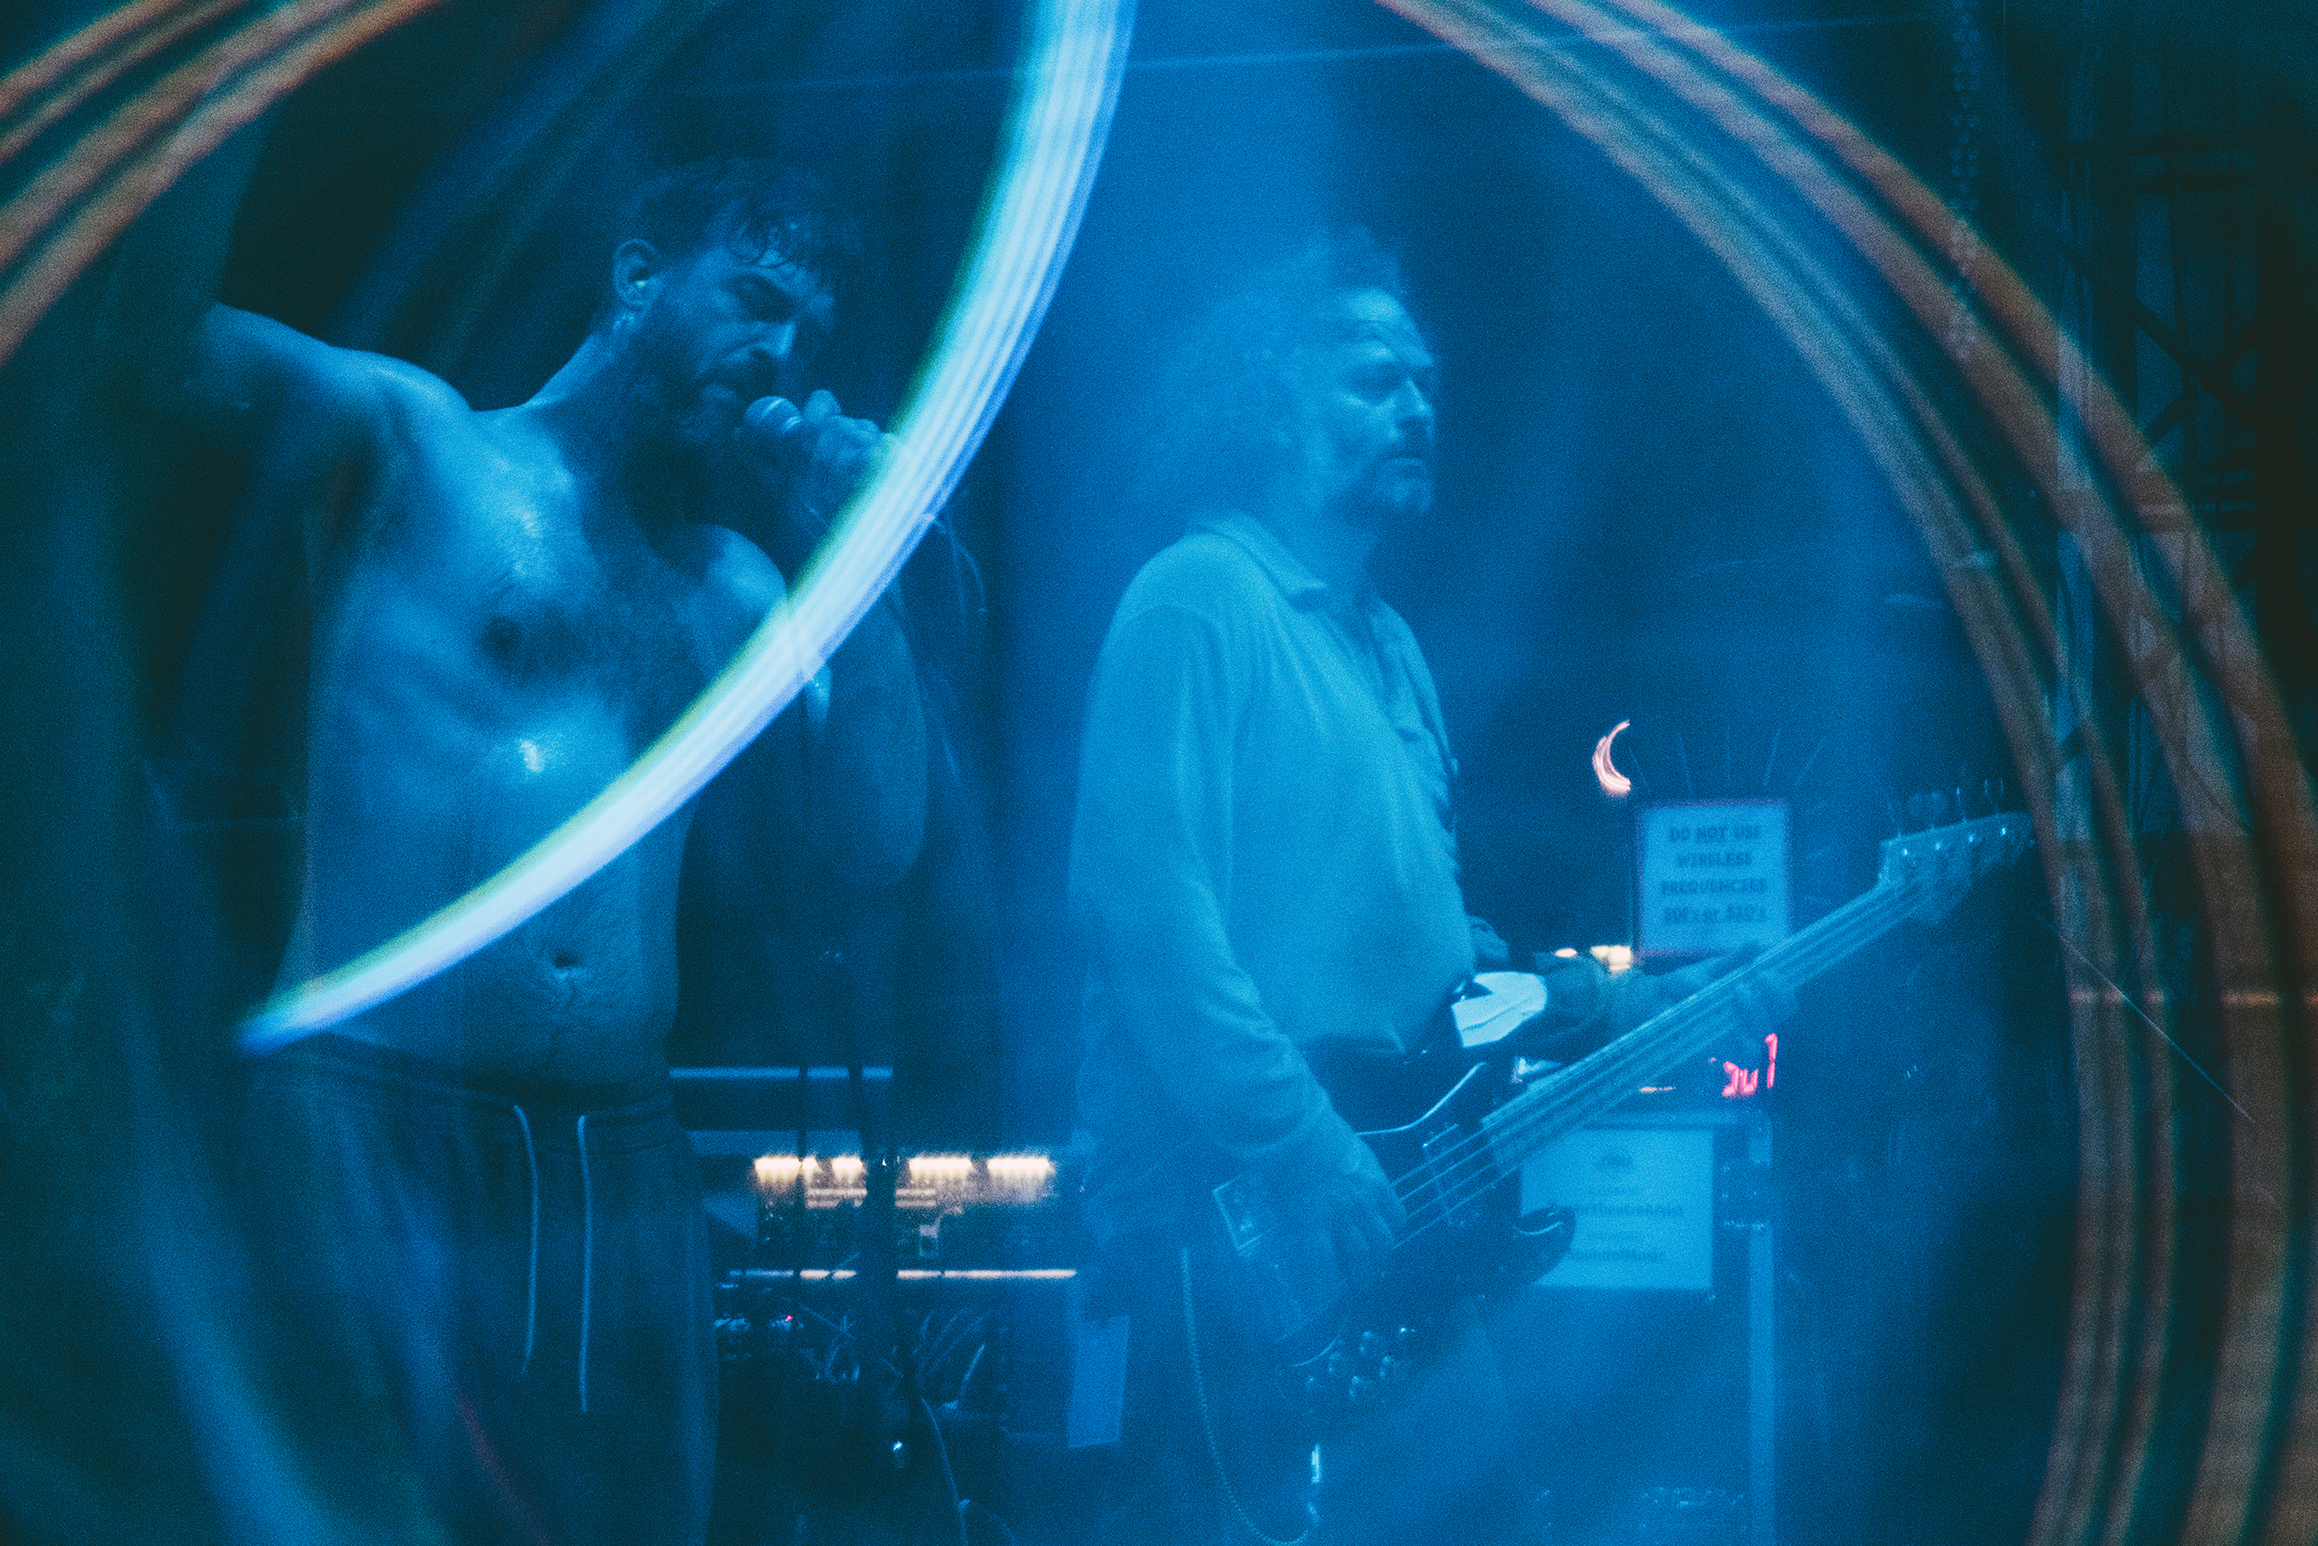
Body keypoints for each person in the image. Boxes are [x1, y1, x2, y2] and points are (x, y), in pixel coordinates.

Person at [115, 150, 927, 1545]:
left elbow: (873, 846)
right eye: (753, 298)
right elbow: (150, 346)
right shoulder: (416, 449)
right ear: (637, 278)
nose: (779, 353)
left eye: (807, 332)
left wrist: (874, 560)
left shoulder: (732, 586)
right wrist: (218, 111)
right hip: (375, 1115)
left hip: (614, 1154)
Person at [1067, 230, 1774, 1546]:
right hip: (1235, 1241)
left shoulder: (1388, 650)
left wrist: (1635, 1007)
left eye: (1425, 383)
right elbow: (1148, 918)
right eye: (1372, 378)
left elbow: (1448, 992)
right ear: (1269, 402)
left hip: (1378, 1236)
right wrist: (1304, 1145)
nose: (1416, 406)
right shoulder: (1198, 598)